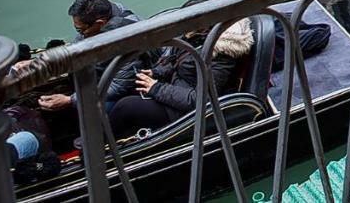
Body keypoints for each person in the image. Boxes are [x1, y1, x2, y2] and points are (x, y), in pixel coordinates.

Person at [107, 9, 253, 140]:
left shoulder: (221, 56)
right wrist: (156, 72)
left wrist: (156, 88)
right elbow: (179, 62)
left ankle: (94, 146)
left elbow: (201, 100)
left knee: (125, 107)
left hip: (184, 112)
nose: (184, 32)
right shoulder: (196, 38)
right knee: (131, 88)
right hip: (174, 89)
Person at [16, 0, 142, 115]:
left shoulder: (128, 38)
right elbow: (77, 46)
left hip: (129, 87)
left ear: (100, 23)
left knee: (92, 112)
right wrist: (39, 62)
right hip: (105, 73)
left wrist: (70, 100)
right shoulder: (104, 14)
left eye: (80, 30)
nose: (80, 33)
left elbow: (118, 86)